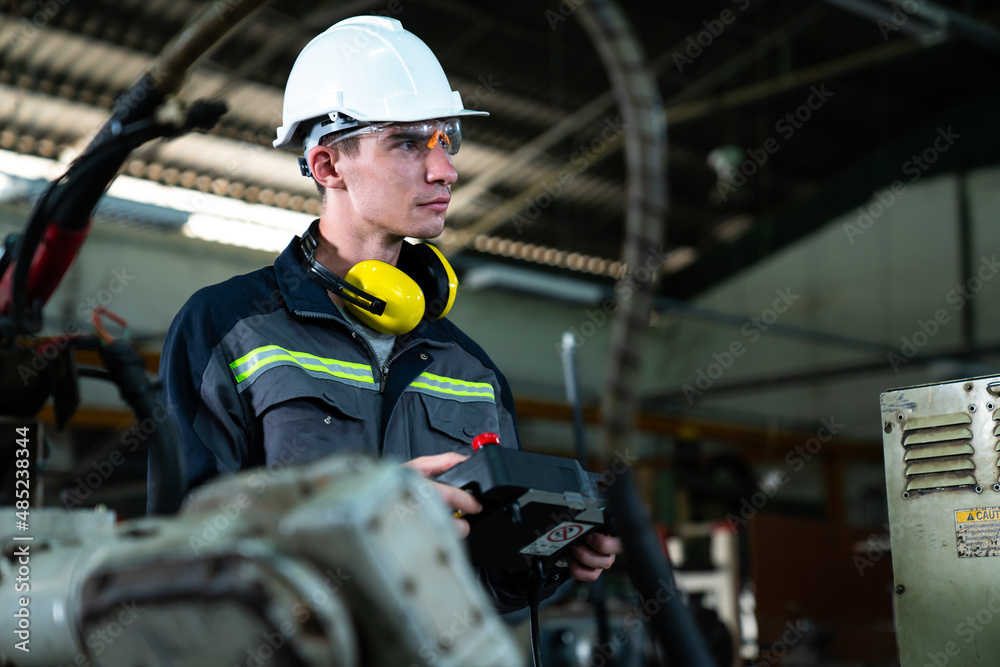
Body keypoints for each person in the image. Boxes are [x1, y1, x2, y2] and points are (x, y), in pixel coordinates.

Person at [155, 15, 619, 612]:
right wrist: (369, 520)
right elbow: (176, 555)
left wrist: (553, 554)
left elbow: (485, 586)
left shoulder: (471, 368)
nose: (445, 169)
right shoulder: (227, 328)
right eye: (407, 142)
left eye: (445, 139)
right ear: (327, 167)